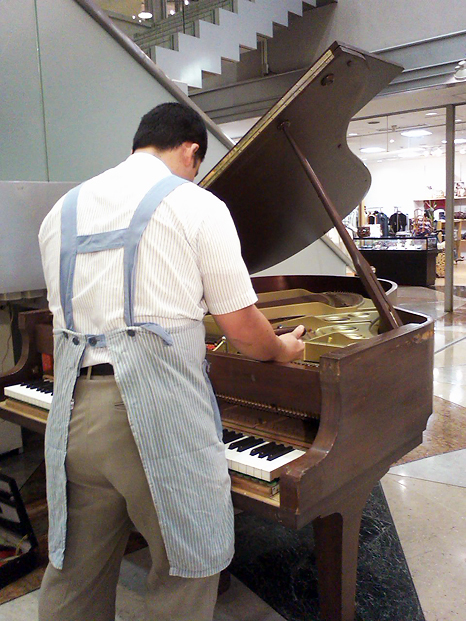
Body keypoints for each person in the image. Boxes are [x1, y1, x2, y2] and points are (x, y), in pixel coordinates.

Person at [38, 102, 305, 621]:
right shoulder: (196, 205)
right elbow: (246, 335)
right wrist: (283, 349)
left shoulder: (61, 212)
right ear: (190, 151)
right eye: (197, 164)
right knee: (185, 570)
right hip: (157, 419)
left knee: (74, 572)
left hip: (74, 414)